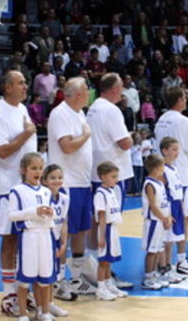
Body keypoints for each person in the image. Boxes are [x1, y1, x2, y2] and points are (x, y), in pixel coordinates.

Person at [0, 71, 39, 315]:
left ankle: (21, 292)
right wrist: (27, 133)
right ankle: (8, 294)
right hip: (7, 187)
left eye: (25, 82)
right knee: (9, 240)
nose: (25, 86)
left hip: (26, 186)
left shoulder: (21, 109)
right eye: (21, 82)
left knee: (24, 240)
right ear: (7, 87)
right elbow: (3, 151)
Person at [86, 73, 134, 289]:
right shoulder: (111, 110)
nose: (123, 90)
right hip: (112, 173)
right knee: (110, 223)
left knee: (98, 222)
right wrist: (133, 137)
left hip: (96, 171)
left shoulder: (94, 107)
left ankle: (96, 269)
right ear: (114, 87)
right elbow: (124, 142)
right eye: (121, 85)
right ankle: (105, 274)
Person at [47, 77, 94, 293]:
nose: (89, 93)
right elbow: (66, 147)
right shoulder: (61, 114)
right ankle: (58, 280)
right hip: (68, 183)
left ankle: (76, 279)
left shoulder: (79, 113)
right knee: (63, 232)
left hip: (82, 182)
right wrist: (85, 135)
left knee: (81, 231)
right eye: (86, 90)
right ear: (77, 94)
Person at [152, 86, 188, 274]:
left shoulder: (161, 120)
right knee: (183, 219)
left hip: (163, 174)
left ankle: (164, 263)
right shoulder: (183, 120)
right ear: (179, 100)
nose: (187, 100)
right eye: (184, 97)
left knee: (167, 219)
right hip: (181, 175)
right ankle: (181, 260)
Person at [7, 153, 55, 321]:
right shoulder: (17, 191)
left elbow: (51, 215)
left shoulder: (46, 191)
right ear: (23, 170)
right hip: (28, 237)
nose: (38, 171)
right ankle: (22, 313)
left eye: (40, 168)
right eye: (33, 168)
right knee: (25, 277)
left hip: (45, 236)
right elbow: (12, 215)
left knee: (45, 276)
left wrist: (50, 213)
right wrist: (34, 212)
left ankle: (44, 311)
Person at [158, 137, 188, 282]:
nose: (177, 152)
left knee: (171, 240)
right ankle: (163, 269)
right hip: (169, 207)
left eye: (178, 149)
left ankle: (169, 267)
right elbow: (162, 193)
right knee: (165, 240)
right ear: (165, 151)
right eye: (174, 149)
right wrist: (167, 213)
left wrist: (182, 208)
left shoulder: (174, 168)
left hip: (177, 205)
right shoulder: (162, 170)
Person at [92, 161, 126, 301]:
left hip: (113, 229)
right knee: (103, 261)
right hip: (105, 229)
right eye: (113, 176)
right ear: (103, 177)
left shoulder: (111, 191)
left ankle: (108, 284)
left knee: (109, 260)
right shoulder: (100, 193)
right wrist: (101, 237)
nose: (116, 179)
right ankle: (100, 289)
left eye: (116, 176)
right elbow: (101, 216)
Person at [41, 165, 71, 315]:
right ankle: (41, 305)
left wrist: (64, 243)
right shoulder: (43, 196)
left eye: (59, 177)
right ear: (45, 180)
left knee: (52, 275)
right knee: (44, 275)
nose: (57, 180)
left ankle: (49, 303)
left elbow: (64, 221)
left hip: (57, 239)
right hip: (44, 239)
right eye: (52, 178)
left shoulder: (65, 198)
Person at [141, 154, 173, 289]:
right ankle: (148, 278)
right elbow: (153, 206)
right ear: (156, 168)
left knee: (158, 249)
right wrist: (164, 218)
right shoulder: (149, 184)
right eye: (162, 165)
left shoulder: (159, 182)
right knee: (152, 251)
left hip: (161, 221)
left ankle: (154, 275)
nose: (164, 168)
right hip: (153, 222)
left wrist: (169, 217)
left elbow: (165, 203)